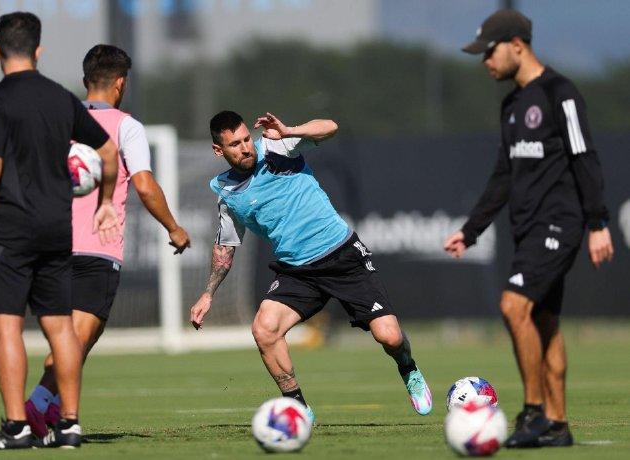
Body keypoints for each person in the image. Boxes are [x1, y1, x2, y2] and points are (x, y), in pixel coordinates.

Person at [190, 111, 432, 421]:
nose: (245, 147)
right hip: (298, 272)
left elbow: (330, 127)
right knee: (264, 330)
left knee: (390, 338)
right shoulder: (227, 193)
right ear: (218, 150)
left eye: (246, 139)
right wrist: (208, 293)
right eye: (234, 144)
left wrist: (290, 130)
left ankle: (408, 369)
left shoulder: (276, 146)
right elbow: (225, 247)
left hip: (342, 256)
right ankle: (298, 408)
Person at [444, 9, 613, 448]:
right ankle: (557, 425)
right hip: (526, 228)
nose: (485, 61)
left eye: (489, 52)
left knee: (513, 306)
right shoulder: (511, 105)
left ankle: (533, 412)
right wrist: (472, 229)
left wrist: (597, 222)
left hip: (560, 223)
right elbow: (504, 175)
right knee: (544, 322)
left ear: (517, 45)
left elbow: (584, 156)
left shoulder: (561, 93)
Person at [0, 12, 120, 450]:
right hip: (55, 229)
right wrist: (105, 203)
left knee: (6, 325)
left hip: (8, 228)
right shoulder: (61, 98)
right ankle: (69, 426)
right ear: (38, 50)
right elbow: (108, 149)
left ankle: (16, 428)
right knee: (60, 327)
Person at [23, 44, 191, 437]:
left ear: (85, 81)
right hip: (95, 248)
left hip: (49, 246)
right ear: (121, 84)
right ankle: (36, 407)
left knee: (83, 336)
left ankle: (48, 408)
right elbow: (144, 185)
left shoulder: (56, 121)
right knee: (75, 340)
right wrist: (173, 227)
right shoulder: (125, 126)